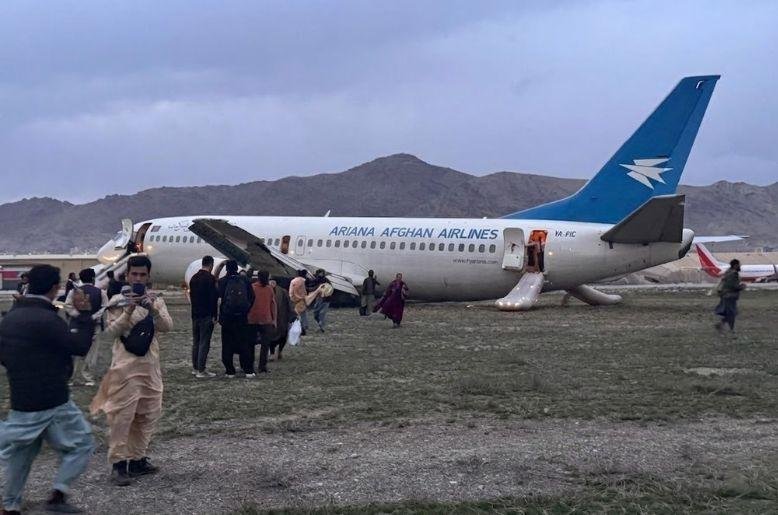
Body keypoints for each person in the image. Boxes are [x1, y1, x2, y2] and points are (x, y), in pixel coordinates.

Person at [0, 264, 95, 514]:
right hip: (53, 400)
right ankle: (57, 496)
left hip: (21, 399)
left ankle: (11, 506)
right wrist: (84, 315)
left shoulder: (10, 318)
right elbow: (79, 346)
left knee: (22, 454)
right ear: (55, 288)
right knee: (82, 443)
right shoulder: (49, 320)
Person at [90, 255, 173, 486]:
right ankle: (118, 465)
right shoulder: (117, 301)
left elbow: (167, 326)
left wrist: (153, 309)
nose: (138, 278)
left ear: (148, 277)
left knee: (147, 415)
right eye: (134, 274)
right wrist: (128, 310)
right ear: (127, 276)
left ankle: (137, 459)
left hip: (150, 367)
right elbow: (112, 332)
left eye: (142, 275)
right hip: (125, 369)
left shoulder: (156, 300)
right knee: (122, 418)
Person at [65, 268, 109, 387]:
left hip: (76, 324)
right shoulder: (100, 292)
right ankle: (87, 377)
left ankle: (70, 377)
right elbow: (105, 307)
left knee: (73, 350)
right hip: (94, 326)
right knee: (91, 352)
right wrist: (94, 317)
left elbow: (68, 306)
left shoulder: (73, 292)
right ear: (93, 279)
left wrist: (78, 315)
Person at [217, 260, 255, 378]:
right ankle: (248, 369)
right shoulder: (245, 280)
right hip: (242, 318)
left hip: (227, 318)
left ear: (227, 269)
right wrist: (246, 310)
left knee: (227, 344)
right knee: (244, 343)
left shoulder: (222, 281)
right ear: (237, 269)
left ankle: (230, 370)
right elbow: (252, 297)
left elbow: (219, 298)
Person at [188, 256, 218, 378]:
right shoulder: (210, 279)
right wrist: (215, 315)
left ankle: (195, 368)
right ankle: (201, 369)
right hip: (206, 314)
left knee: (196, 341)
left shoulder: (194, 278)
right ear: (211, 265)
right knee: (204, 343)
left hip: (195, 314)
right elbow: (213, 299)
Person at [247, 270, 277, 374]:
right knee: (265, 345)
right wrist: (274, 319)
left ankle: (249, 366)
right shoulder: (269, 289)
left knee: (250, 344)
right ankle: (262, 366)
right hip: (266, 320)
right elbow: (273, 305)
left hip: (252, 319)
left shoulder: (252, 287)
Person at [714, 259, 746, 335]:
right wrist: (742, 286)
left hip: (725, 295)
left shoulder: (728, 272)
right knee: (732, 313)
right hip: (730, 296)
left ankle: (722, 325)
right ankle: (730, 329)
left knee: (730, 313)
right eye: (739, 265)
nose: (740, 266)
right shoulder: (734, 274)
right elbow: (733, 286)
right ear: (735, 265)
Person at [268, 279, 295, 361]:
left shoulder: (283, 292)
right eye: (270, 282)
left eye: (273, 282)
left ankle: (280, 351)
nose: (272, 283)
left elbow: (289, 304)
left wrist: (292, 314)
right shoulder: (267, 291)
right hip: (271, 318)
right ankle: (272, 353)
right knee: (271, 336)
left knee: (283, 336)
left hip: (282, 317)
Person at [289, 269, 309, 335]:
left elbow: (291, 292)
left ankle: (295, 328)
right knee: (303, 314)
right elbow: (305, 290)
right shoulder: (304, 281)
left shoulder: (293, 281)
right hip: (301, 299)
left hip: (293, 300)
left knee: (296, 314)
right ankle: (303, 328)